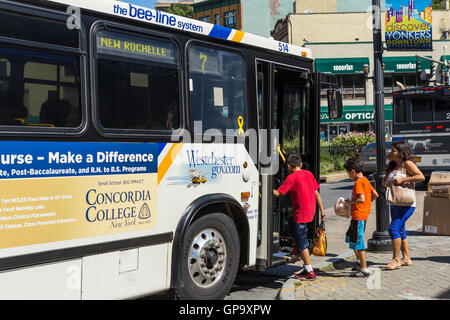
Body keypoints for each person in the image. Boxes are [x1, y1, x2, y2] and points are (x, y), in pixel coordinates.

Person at [273, 153, 325, 281]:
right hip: (310, 213)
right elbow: (317, 195)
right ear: (300, 164)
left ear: (289, 166)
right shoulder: (309, 174)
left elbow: (277, 194)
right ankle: (296, 250)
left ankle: (309, 271)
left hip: (300, 215)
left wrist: (263, 185)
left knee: (303, 244)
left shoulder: (291, 177)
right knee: (294, 227)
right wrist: (322, 213)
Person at [382, 140, 424, 270]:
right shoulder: (392, 166)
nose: (391, 152)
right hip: (395, 202)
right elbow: (387, 182)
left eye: (393, 150)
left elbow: (421, 177)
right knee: (400, 230)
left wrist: (403, 179)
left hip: (407, 204)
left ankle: (396, 260)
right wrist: (386, 182)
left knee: (393, 229)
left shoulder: (407, 164)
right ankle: (406, 259)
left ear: (401, 152)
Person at [343, 156, 379, 278]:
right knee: (351, 239)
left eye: (348, 174)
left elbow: (361, 199)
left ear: (353, 171)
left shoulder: (358, 182)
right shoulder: (366, 180)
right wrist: (367, 205)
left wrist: (349, 203)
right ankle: (359, 263)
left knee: (359, 243)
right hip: (360, 215)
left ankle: (364, 269)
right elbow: (375, 195)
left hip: (359, 216)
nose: (349, 176)